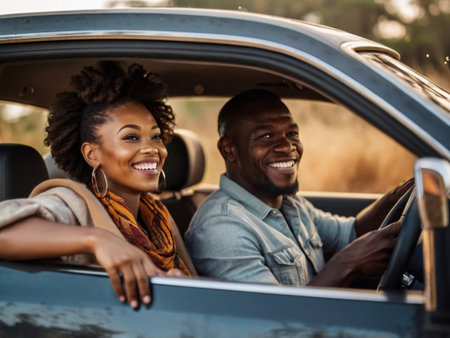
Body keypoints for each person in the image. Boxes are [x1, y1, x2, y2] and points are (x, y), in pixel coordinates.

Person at [0, 61, 196, 308]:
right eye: (131, 137)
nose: (152, 149)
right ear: (93, 154)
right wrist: (96, 239)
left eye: (156, 136)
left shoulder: (157, 216)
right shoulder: (73, 203)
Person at [185, 89, 413, 287]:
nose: (287, 146)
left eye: (292, 134)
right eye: (266, 136)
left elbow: (351, 233)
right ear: (229, 150)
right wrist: (349, 263)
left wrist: (403, 192)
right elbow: (276, 321)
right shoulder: (222, 228)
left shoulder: (289, 202)